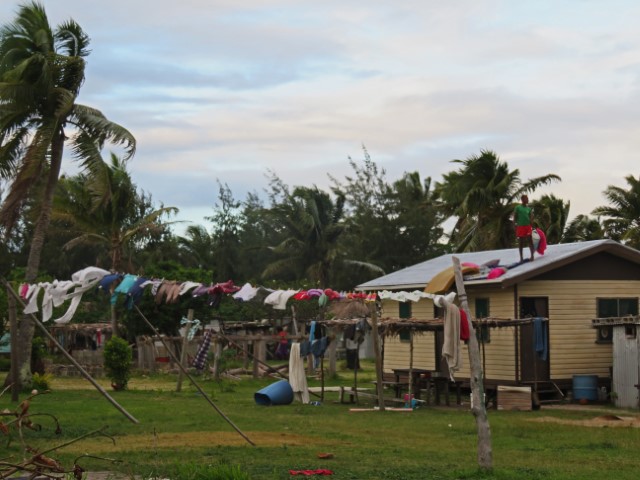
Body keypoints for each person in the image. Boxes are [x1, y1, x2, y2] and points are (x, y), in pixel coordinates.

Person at [514, 194, 534, 262]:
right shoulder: (518, 207)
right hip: (520, 226)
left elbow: (531, 216)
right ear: (522, 200)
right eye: (526, 199)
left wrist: (531, 223)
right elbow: (515, 216)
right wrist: (514, 225)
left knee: (530, 240)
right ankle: (521, 258)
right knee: (521, 242)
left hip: (528, 226)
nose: (528, 200)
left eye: (527, 198)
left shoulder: (528, 209)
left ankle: (532, 256)